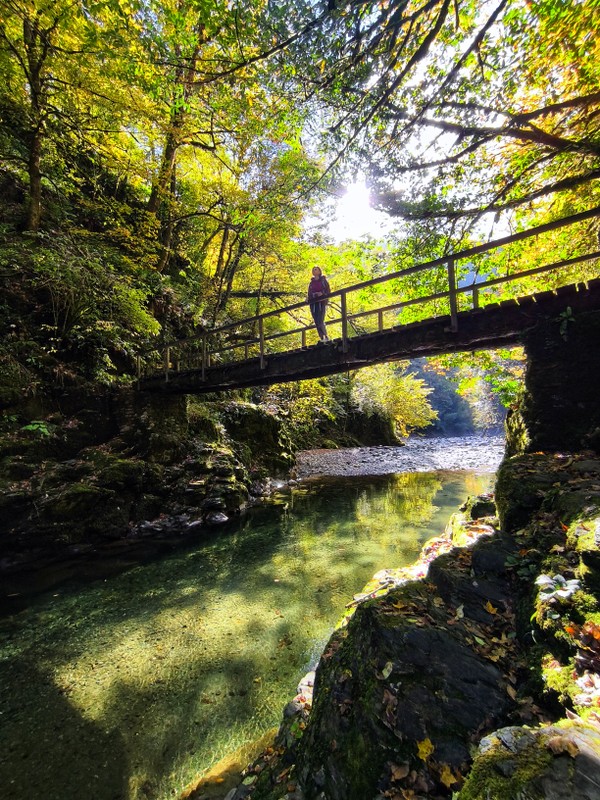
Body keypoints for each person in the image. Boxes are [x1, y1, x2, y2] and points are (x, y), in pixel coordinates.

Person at [307, 266, 331, 342]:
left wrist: (322, 293)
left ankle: (326, 336)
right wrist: (310, 297)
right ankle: (322, 337)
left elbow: (328, 290)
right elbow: (309, 293)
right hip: (314, 304)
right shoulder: (311, 283)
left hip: (322, 302)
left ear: (319, 271)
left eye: (316, 269)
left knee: (320, 319)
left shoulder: (323, 280)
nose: (314, 271)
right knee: (316, 320)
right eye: (313, 270)